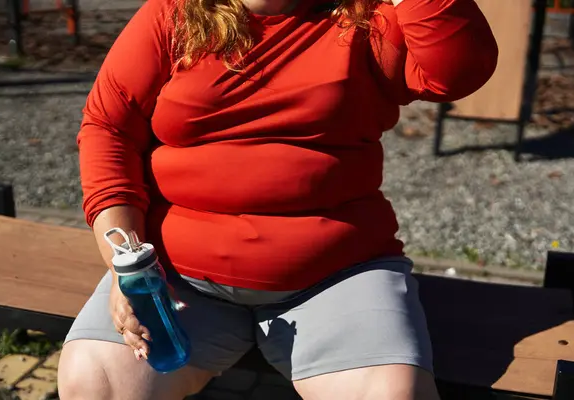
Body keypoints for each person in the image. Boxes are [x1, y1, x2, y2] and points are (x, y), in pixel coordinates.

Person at [57, 0, 497, 397]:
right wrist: (124, 263)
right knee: (93, 381)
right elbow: (108, 127)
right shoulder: (175, 14)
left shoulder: (366, 18)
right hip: (174, 280)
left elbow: (457, 71)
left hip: (335, 279)